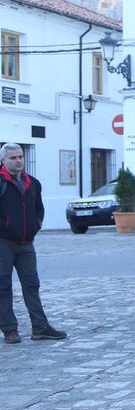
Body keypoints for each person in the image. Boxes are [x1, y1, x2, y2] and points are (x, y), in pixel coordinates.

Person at [0, 143, 66, 343]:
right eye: (13, 158)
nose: (18, 160)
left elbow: (39, 209)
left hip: (27, 242)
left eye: (20, 156)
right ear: (3, 160)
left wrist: (36, 225)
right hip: (3, 242)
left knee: (31, 284)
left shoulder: (33, 183)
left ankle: (40, 327)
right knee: (3, 286)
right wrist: (7, 227)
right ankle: (10, 329)